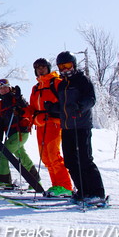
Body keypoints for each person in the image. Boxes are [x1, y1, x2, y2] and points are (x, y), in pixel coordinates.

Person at [55, 51, 106, 205]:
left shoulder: (82, 80)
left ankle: (97, 193)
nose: (65, 69)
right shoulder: (62, 84)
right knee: (70, 161)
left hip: (81, 125)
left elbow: (91, 99)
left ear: (74, 65)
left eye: (68, 65)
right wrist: (51, 108)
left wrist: (80, 106)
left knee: (85, 159)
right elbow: (63, 106)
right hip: (67, 127)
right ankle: (83, 191)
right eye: (62, 66)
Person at [27, 58, 74, 197]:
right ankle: (56, 185)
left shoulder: (56, 82)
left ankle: (65, 186)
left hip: (54, 123)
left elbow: (66, 102)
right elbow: (32, 108)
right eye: (38, 68)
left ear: (48, 68)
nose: (41, 70)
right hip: (40, 125)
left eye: (43, 67)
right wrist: (23, 111)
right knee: (45, 157)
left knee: (54, 155)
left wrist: (53, 110)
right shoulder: (36, 88)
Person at [0, 79, 40, 189]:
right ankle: (35, 181)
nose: (3, 90)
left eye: (5, 87)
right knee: (22, 156)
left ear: (9, 88)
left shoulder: (16, 98)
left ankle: (4, 181)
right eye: (1, 88)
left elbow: (27, 110)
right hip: (11, 134)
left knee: (3, 153)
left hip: (21, 132)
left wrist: (19, 99)